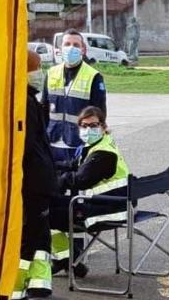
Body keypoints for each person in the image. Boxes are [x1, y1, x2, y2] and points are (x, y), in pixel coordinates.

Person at [10, 49, 72, 300]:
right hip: (34, 184)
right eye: (36, 69)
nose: (40, 74)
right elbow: (28, 149)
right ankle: (29, 293)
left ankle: (29, 292)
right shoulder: (24, 103)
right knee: (34, 240)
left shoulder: (27, 101)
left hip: (36, 181)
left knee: (34, 241)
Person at [49, 106, 130, 277]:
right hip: (104, 203)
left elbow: (80, 179)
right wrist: (49, 166)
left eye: (93, 125)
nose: (88, 129)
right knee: (45, 206)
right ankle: (69, 260)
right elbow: (75, 165)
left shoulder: (103, 154)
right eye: (84, 126)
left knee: (43, 213)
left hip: (107, 209)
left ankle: (68, 260)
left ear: (103, 126)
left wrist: (55, 181)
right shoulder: (97, 144)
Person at [42, 29, 107, 165]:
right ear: (60, 49)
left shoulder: (94, 76)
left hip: (79, 143)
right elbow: (43, 108)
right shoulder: (51, 73)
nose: (71, 48)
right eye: (67, 44)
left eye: (76, 45)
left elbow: (100, 113)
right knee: (53, 184)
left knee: (76, 182)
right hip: (53, 141)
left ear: (83, 50)